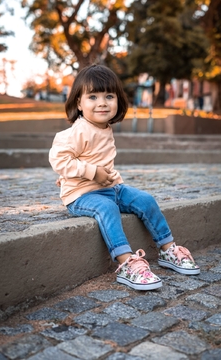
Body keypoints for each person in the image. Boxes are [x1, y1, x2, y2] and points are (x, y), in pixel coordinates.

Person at [49, 64, 200, 291]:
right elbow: (58, 160)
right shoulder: (76, 132)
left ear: (118, 100)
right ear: (79, 103)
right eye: (92, 97)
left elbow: (103, 160)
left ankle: (168, 249)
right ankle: (127, 263)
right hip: (81, 195)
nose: (102, 103)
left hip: (111, 188)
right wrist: (91, 172)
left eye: (109, 96)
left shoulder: (104, 127)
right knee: (107, 208)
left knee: (145, 199)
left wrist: (110, 177)